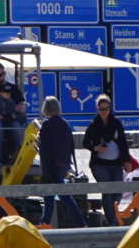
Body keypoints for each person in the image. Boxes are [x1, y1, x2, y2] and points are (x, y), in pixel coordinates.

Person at [82, 94, 133, 226]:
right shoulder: (93, 125)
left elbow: (123, 143)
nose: (104, 111)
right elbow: (85, 143)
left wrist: (127, 161)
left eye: (106, 108)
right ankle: (111, 221)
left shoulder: (116, 123)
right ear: (97, 109)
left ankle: (112, 215)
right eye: (101, 109)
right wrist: (96, 148)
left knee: (118, 192)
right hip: (99, 164)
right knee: (107, 191)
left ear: (110, 108)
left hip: (116, 163)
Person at [38, 96, 86, 228]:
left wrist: (46, 170)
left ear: (45, 109)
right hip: (64, 164)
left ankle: (81, 223)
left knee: (63, 196)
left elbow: (45, 150)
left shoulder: (46, 125)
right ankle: (44, 223)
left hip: (52, 166)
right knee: (49, 196)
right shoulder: (65, 123)